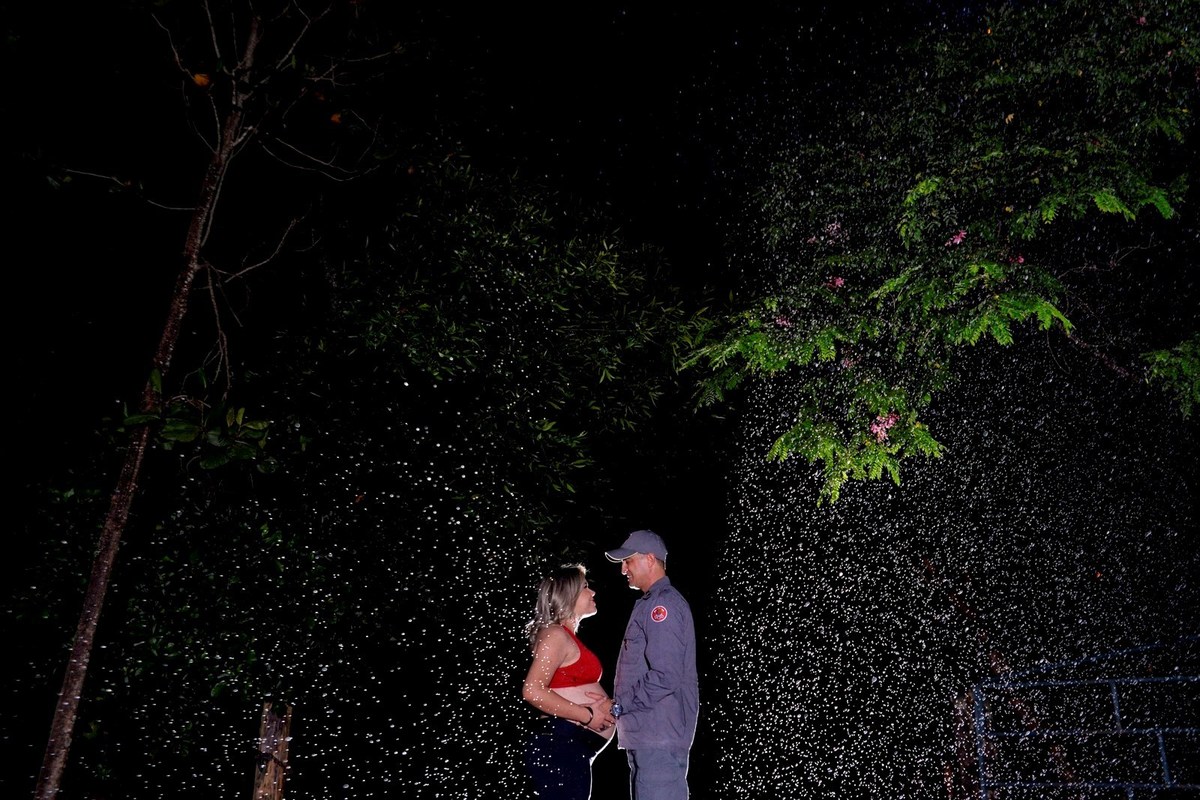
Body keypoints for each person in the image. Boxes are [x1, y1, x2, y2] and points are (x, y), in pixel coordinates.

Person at [605, 529, 699, 800]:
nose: (623, 569)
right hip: (649, 736)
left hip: (658, 737)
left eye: (628, 561)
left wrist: (621, 706)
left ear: (649, 559)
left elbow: (665, 675)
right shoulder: (651, 604)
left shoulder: (662, 606)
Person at [522, 563, 618, 799]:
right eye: (585, 587)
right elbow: (532, 691)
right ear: (569, 594)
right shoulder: (555, 634)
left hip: (571, 747)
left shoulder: (565, 636)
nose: (592, 592)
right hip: (559, 744)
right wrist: (587, 715)